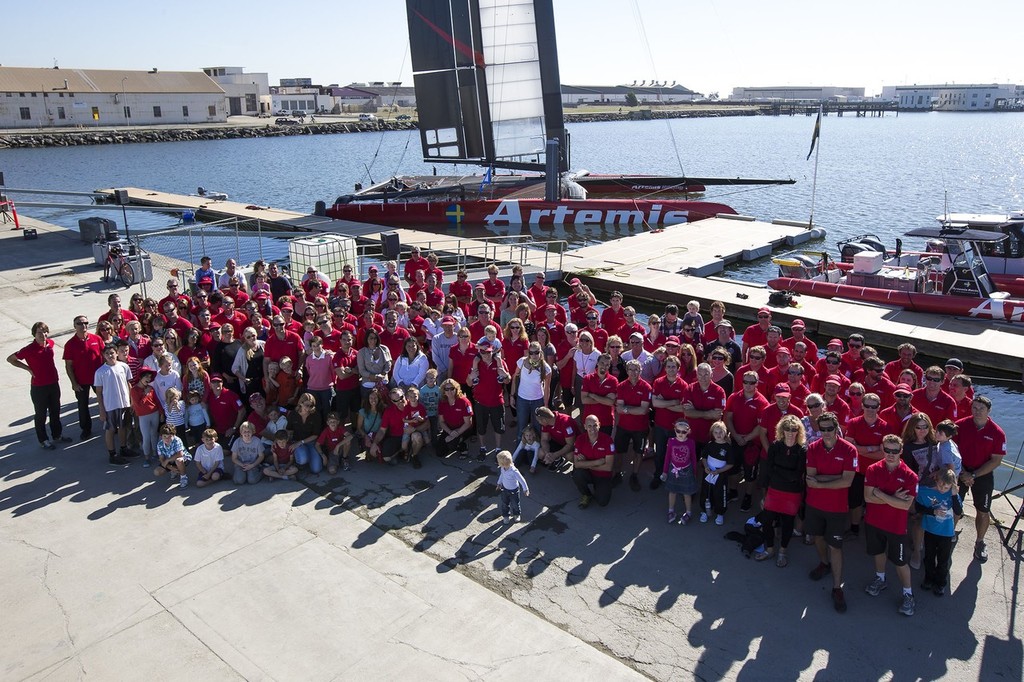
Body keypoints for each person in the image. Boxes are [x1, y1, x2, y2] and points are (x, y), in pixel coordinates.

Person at [805, 411, 858, 613]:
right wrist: (833, 479)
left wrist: (821, 481)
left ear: (837, 429)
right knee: (818, 538)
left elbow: (848, 481)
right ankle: (823, 564)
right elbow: (810, 478)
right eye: (822, 429)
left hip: (836, 508)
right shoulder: (812, 448)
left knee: (835, 546)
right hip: (815, 505)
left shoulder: (849, 450)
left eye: (830, 429)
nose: (826, 432)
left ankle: (837, 588)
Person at [863, 434, 919, 617]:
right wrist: (893, 499)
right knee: (878, 553)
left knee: (900, 562)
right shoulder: (872, 469)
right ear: (883, 449)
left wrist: (879, 493)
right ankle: (880, 578)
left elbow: (905, 505)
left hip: (896, 527)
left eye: (895, 451)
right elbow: (867, 497)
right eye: (887, 450)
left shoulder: (910, 476)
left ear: (901, 451)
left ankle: (908, 594)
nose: (890, 454)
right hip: (874, 522)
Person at [954, 395, 1006, 564]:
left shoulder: (997, 433)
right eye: (974, 408)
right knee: (954, 505)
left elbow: (996, 460)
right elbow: (951, 450)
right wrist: (962, 473)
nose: (977, 412)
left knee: (983, 511)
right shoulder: (961, 425)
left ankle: (979, 542)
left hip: (982, 475)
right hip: (961, 471)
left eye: (981, 409)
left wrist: (974, 475)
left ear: (989, 411)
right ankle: (949, 533)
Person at [9, 321, 70, 450]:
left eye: (44, 331)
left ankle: (57, 435)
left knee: (55, 411)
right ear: (34, 334)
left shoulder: (50, 344)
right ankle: (43, 440)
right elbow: (11, 359)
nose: (43, 335)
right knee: (41, 414)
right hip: (39, 387)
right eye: (39, 332)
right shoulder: (29, 349)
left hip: (53, 383)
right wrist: (28, 368)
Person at [755, 415, 807, 567]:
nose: (791, 433)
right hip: (775, 490)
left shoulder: (802, 450)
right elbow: (768, 470)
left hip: (792, 493)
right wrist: (765, 493)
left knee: (787, 523)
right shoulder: (775, 446)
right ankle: (770, 549)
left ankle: (782, 551)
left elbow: (798, 474)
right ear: (781, 430)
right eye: (787, 429)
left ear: (799, 431)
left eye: (794, 430)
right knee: (767, 520)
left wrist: (780, 472)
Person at [915, 468, 961, 596]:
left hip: (946, 533)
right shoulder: (925, 492)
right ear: (936, 480)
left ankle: (941, 583)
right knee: (929, 557)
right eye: (940, 485)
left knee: (943, 560)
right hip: (930, 530)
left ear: (952, 486)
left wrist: (954, 495)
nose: (942, 489)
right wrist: (932, 512)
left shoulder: (953, 495)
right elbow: (918, 507)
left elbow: (958, 511)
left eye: (946, 487)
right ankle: (928, 579)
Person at [64, 314, 106, 440]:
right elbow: (68, 366)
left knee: (104, 401)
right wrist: (74, 383)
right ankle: (86, 429)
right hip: (81, 381)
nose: (83, 326)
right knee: (83, 405)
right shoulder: (70, 344)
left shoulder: (96, 339)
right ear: (74, 326)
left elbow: (105, 356)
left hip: (98, 379)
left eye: (86, 323)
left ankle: (109, 424)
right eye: (80, 323)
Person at [93, 343, 135, 466]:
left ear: (117, 353)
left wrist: (131, 401)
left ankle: (123, 449)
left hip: (124, 403)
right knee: (111, 429)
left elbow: (128, 384)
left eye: (112, 353)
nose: (110, 355)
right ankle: (112, 454)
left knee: (123, 427)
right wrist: (101, 410)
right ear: (103, 356)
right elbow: (99, 392)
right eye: (107, 354)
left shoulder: (124, 366)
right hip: (110, 405)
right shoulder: (100, 372)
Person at [468, 339, 510, 460]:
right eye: (483, 353)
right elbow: (468, 383)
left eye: (488, 352)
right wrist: (471, 377)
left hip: (497, 401)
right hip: (481, 402)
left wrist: (505, 375)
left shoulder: (499, 362)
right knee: (481, 428)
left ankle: (498, 449)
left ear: (492, 352)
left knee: (498, 427)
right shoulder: (476, 364)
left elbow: (508, 380)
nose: (486, 355)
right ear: (479, 353)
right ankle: (483, 448)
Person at [615, 359, 652, 491]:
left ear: (640, 371)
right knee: (619, 452)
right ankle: (617, 474)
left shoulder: (646, 387)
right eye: (630, 369)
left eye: (636, 369)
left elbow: (643, 410)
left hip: (640, 428)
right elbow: (619, 409)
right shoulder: (621, 386)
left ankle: (634, 475)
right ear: (626, 371)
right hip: (623, 426)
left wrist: (626, 408)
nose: (633, 372)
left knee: (638, 453)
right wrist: (634, 409)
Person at [572, 415, 615, 509]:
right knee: (577, 474)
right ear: (585, 427)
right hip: (588, 473)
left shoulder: (608, 440)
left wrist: (586, 463)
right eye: (589, 426)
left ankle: (600, 488)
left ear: (599, 425)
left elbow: (608, 467)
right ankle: (586, 494)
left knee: (602, 502)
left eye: (595, 425)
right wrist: (598, 462)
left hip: (603, 475)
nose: (592, 428)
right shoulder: (580, 439)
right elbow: (577, 464)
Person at [662, 419, 699, 525]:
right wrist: (664, 472)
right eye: (678, 431)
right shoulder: (671, 441)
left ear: (688, 431)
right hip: (673, 470)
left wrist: (694, 473)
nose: (681, 434)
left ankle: (688, 512)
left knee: (687, 493)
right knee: (672, 491)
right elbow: (667, 457)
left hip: (687, 471)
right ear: (675, 430)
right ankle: (671, 511)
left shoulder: (691, 442)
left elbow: (693, 458)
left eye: (684, 432)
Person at [699, 421, 733, 525]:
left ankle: (720, 513)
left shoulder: (728, 447)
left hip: (720, 475)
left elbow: (730, 464)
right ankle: (705, 511)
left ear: (725, 432)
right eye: (716, 432)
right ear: (712, 434)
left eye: (721, 432)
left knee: (720, 493)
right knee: (706, 492)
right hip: (708, 473)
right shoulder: (710, 445)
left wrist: (719, 471)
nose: (718, 435)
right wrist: (706, 467)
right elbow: (704, 458)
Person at [129, 367, 162, 466]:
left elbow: (156, 401)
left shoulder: (150, 388)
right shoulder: (134, 390)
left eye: (150, 377)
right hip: (143, 416)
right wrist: (145, 394)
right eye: (146, 377)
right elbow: (138, 404)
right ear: (141, 377)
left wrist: (161, 413)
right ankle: (147, 457)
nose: (148, 379)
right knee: (146, 437)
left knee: (154, 434)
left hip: (154, 413)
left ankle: (155, 453)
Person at [436, 379, 474, 459]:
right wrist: (450, 432)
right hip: (450, 428)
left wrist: (456, 434)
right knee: (440, 452)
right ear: (444, 391)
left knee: (452, 443)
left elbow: (468, 423)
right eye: (447, 389)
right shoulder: (442, 402)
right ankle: (454, 443)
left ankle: (463, 445)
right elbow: (441, 422)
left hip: (463, 429)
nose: (449, 391)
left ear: (456, 389)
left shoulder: (464, 402)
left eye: (452, 388)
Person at [289, 393, 324, 473]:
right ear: (300, 403)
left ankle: (308, 457)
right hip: (296, 441)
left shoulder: (316, 415)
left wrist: (301, 442)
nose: (308, 408)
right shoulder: (293, 414)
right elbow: (289, 430)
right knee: (302, 459)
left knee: (316, 469)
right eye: (306, 405)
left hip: (311, 442)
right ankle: (299, 460)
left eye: (311, 406)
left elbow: (315, 435)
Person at [495, 449, 531, 524]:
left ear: (503, 463)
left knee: (515, 504)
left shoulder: (514, 471)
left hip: (514, 490)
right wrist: (499, 483)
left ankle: (516, 514)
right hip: (504, 489)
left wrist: (525, 489)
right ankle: (506, 516)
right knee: (504, 503)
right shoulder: (503, 468)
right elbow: (502, 475)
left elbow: (522, 480)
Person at [153, 423, 191, 488]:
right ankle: (174, 471)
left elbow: (180, 454)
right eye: (164, 436)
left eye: (169, 436)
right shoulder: (160, 444)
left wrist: (167, 460)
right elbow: (161, 458)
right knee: (157, 472)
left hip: (183, 458)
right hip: (170, 462)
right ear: (161, 436)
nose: (167, 439)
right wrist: (170, 467)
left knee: (178, 460)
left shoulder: (177, 440)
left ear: (174, 435)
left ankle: (183, 477)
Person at [356, 391, 384, 463]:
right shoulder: (362, 411)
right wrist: (366, 437)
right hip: (367, 435)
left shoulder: (383, 410)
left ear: (379, 399)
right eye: (371, 398)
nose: (373, 400)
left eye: (375, 398)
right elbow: (359, 428)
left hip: (379, 435)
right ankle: (368, 451)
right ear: (368, 399)